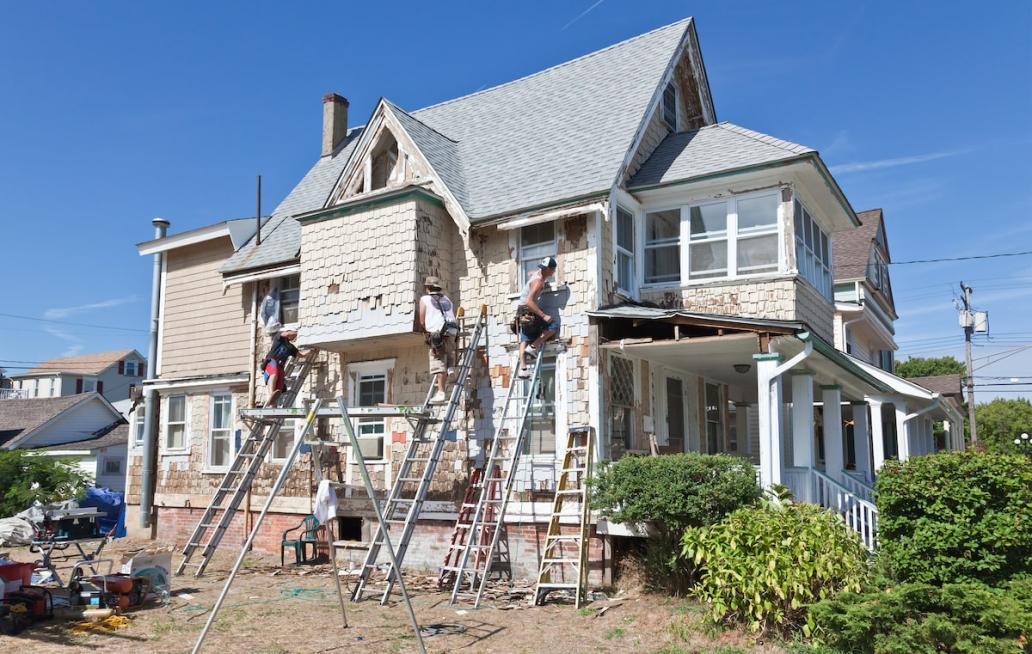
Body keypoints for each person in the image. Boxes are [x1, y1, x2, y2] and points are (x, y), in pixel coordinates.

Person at [418, 276, 459, 404]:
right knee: (448, 352)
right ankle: (451, 368)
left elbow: (422, 320)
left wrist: (427, 332)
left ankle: (441, 392)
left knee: (438, 362)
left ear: (427, 288)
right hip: (452, 330)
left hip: (438, 333)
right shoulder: (446, 299)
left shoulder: (425, 299)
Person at [517, 256, 559, 378]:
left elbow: (531, 273)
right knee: (553, 326)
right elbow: (530, 301)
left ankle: (523, 368)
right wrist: (543, 315)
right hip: (527, 310)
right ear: (549, 269)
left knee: (525, 338)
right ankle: (534, 347)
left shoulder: (538, 275)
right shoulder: (538, 281)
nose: (553, 272)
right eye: (552, 270)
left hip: (520, 310)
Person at [262, 329, 305, 406]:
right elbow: (287, 333)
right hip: (272, 361)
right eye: (293, 335)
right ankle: (271, 394)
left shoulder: (291, 347)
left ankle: (273, 408)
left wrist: (311, 351)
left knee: (279, 388)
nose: (294, 336)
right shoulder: (279, 337)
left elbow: (301, 355)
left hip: (281, 366)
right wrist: (298, 332)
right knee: (274, 374)